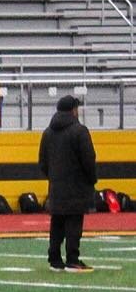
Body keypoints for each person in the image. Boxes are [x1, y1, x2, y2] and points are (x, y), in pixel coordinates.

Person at [39, 95, 98, 273]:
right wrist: (91, 179)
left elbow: (42, 162)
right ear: (73, 110)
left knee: (57, 222)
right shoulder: (80, 131)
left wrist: (53, 177)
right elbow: (89, 159)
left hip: (56, 186)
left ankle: (54, 259)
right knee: (74, 223)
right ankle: (72, 259)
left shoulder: (47, 133)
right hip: (77, 186)